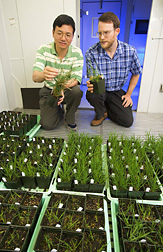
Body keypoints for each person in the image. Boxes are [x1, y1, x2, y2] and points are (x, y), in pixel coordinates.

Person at [86, 12, 142, 127]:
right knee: (92, 94)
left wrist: (129, 95)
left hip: (116, 91)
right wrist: (92, 83)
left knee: (127, 122)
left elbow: (136, 73)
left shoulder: (130, 51)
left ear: (117, 31)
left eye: (106, 33)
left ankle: (106, 109)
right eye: (100, 33)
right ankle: (101, 113)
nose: (102, 37)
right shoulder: (91, 52)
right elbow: (93, 78)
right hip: (100, 90)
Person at [32, 14, 83, 131]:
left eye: (68, 35)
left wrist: (61, 87)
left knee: (76, 91)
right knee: (48, 125)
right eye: (59, 33)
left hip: (67, 90)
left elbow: (76, 79)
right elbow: (35, 77)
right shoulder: (43, 50)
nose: (63, 38)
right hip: (49, 90)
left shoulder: (77, 53)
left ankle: (69, 118)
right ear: (53, 33)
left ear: (73, 36)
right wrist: (43, 75)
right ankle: (58, 110)